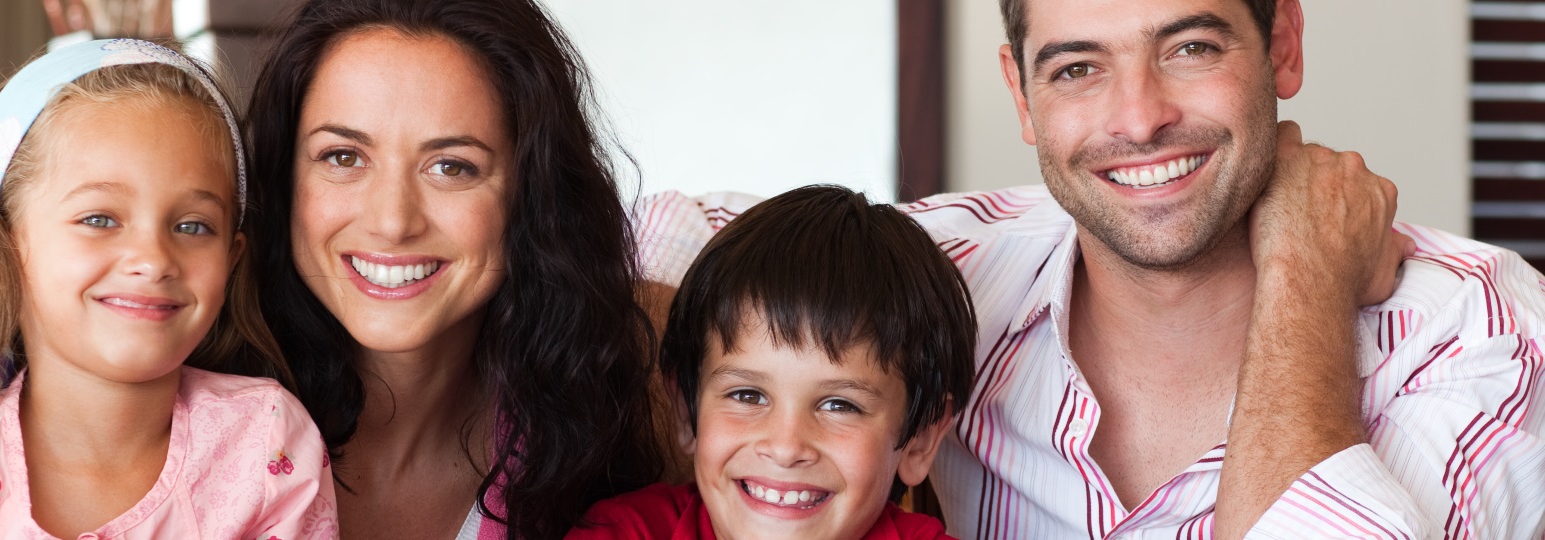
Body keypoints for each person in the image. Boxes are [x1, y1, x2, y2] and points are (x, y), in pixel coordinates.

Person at [633, 0, 1545, 537]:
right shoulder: (955, 267)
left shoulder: (1481, 329)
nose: (1139, 117)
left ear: (1284, 46)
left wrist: (1305, 272)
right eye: (1076, 68)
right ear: (1021, 95)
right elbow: (660, 234)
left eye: (1190, 47)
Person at [0, 39, 337, 538]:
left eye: (193, 226)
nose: (154, 259)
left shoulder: (266, 443)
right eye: (99, 218)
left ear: (232, 259)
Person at [244, 0, 670, 538]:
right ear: (283, 180)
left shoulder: (614, 413)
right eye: (344, 157)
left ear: (532, 195)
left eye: (451, 166)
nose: (392, 221)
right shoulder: (175, 412)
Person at [571, 185, 970, 539]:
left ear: (919, 440)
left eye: (839, 404)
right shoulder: (622, 532)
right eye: (747, 395)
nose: (785, 447)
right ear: (684, 409)